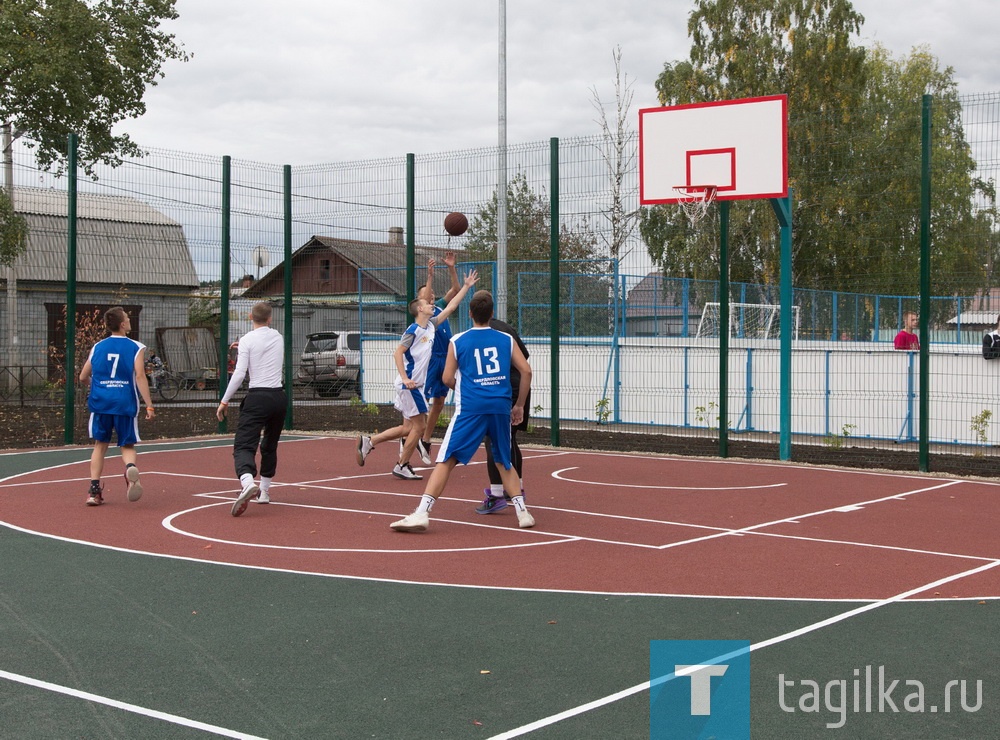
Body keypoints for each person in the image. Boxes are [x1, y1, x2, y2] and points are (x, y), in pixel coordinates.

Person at [390, 289, 534, 533]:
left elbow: (447, 378)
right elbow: (527, 372)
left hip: (472, 407)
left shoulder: (458, 341)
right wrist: (518, 405)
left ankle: (422, 512)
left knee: (446, 459)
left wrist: (468, 387)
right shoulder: (505, 339)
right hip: (500, 405)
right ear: (492, 314)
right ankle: (523, 512)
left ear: (470, 313)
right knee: (503, 459)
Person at [356, 269, 478, 480]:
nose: (433, 304)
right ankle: (402, 464)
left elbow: (451, 306)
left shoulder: (431, 326)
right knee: (419, 426)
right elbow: (397, 353)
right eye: (428, 304)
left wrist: (466, 286)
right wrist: (405, 378)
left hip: (414, 386)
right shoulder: (413, 330)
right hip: (410, 385)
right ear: (420, 309)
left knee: (408, 428)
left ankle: (370, 441)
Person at [78, 306, 155, 506]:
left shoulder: (98, 346)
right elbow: (139, 375)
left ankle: (94, 491)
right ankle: (130, 467)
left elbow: (83, 376)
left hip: (101, 402)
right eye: (128, 318)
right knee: (127, 444)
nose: (130, 320)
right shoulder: (136, 347)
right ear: (122, 324)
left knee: (100, 445)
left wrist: (96, 386)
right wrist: (149, 404)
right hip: (124, 402)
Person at [217, 301, 287, 517]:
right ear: (270, 318)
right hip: (278, 397)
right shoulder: (278, 337)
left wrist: (224, 400)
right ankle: (264, 491)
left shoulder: (246, 340)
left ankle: (247, 481)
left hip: (257, 397)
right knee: (270, 444)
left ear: (250, 317)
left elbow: (239, 374)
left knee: (244, 445)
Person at [475, 315, 530, 515]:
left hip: (504, 386)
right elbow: (525, 355)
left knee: (492, 439)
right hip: (519, 385)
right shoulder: (505, 328)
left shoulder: (486, 332)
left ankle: (497, 494)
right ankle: (516, 489)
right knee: (510, 439)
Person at [414, 252, 461, 466]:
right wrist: (430, 275)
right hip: (431, 360)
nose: (431, 296)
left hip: (446, 359)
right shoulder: (425, 316)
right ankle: (411, 434)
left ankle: (425, 440)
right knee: (422, 402)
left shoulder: (440, 305)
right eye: (427, 295)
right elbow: (425, 296)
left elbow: (456, 291)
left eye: (432, 294)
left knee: (440, 402)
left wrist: (451, 267)